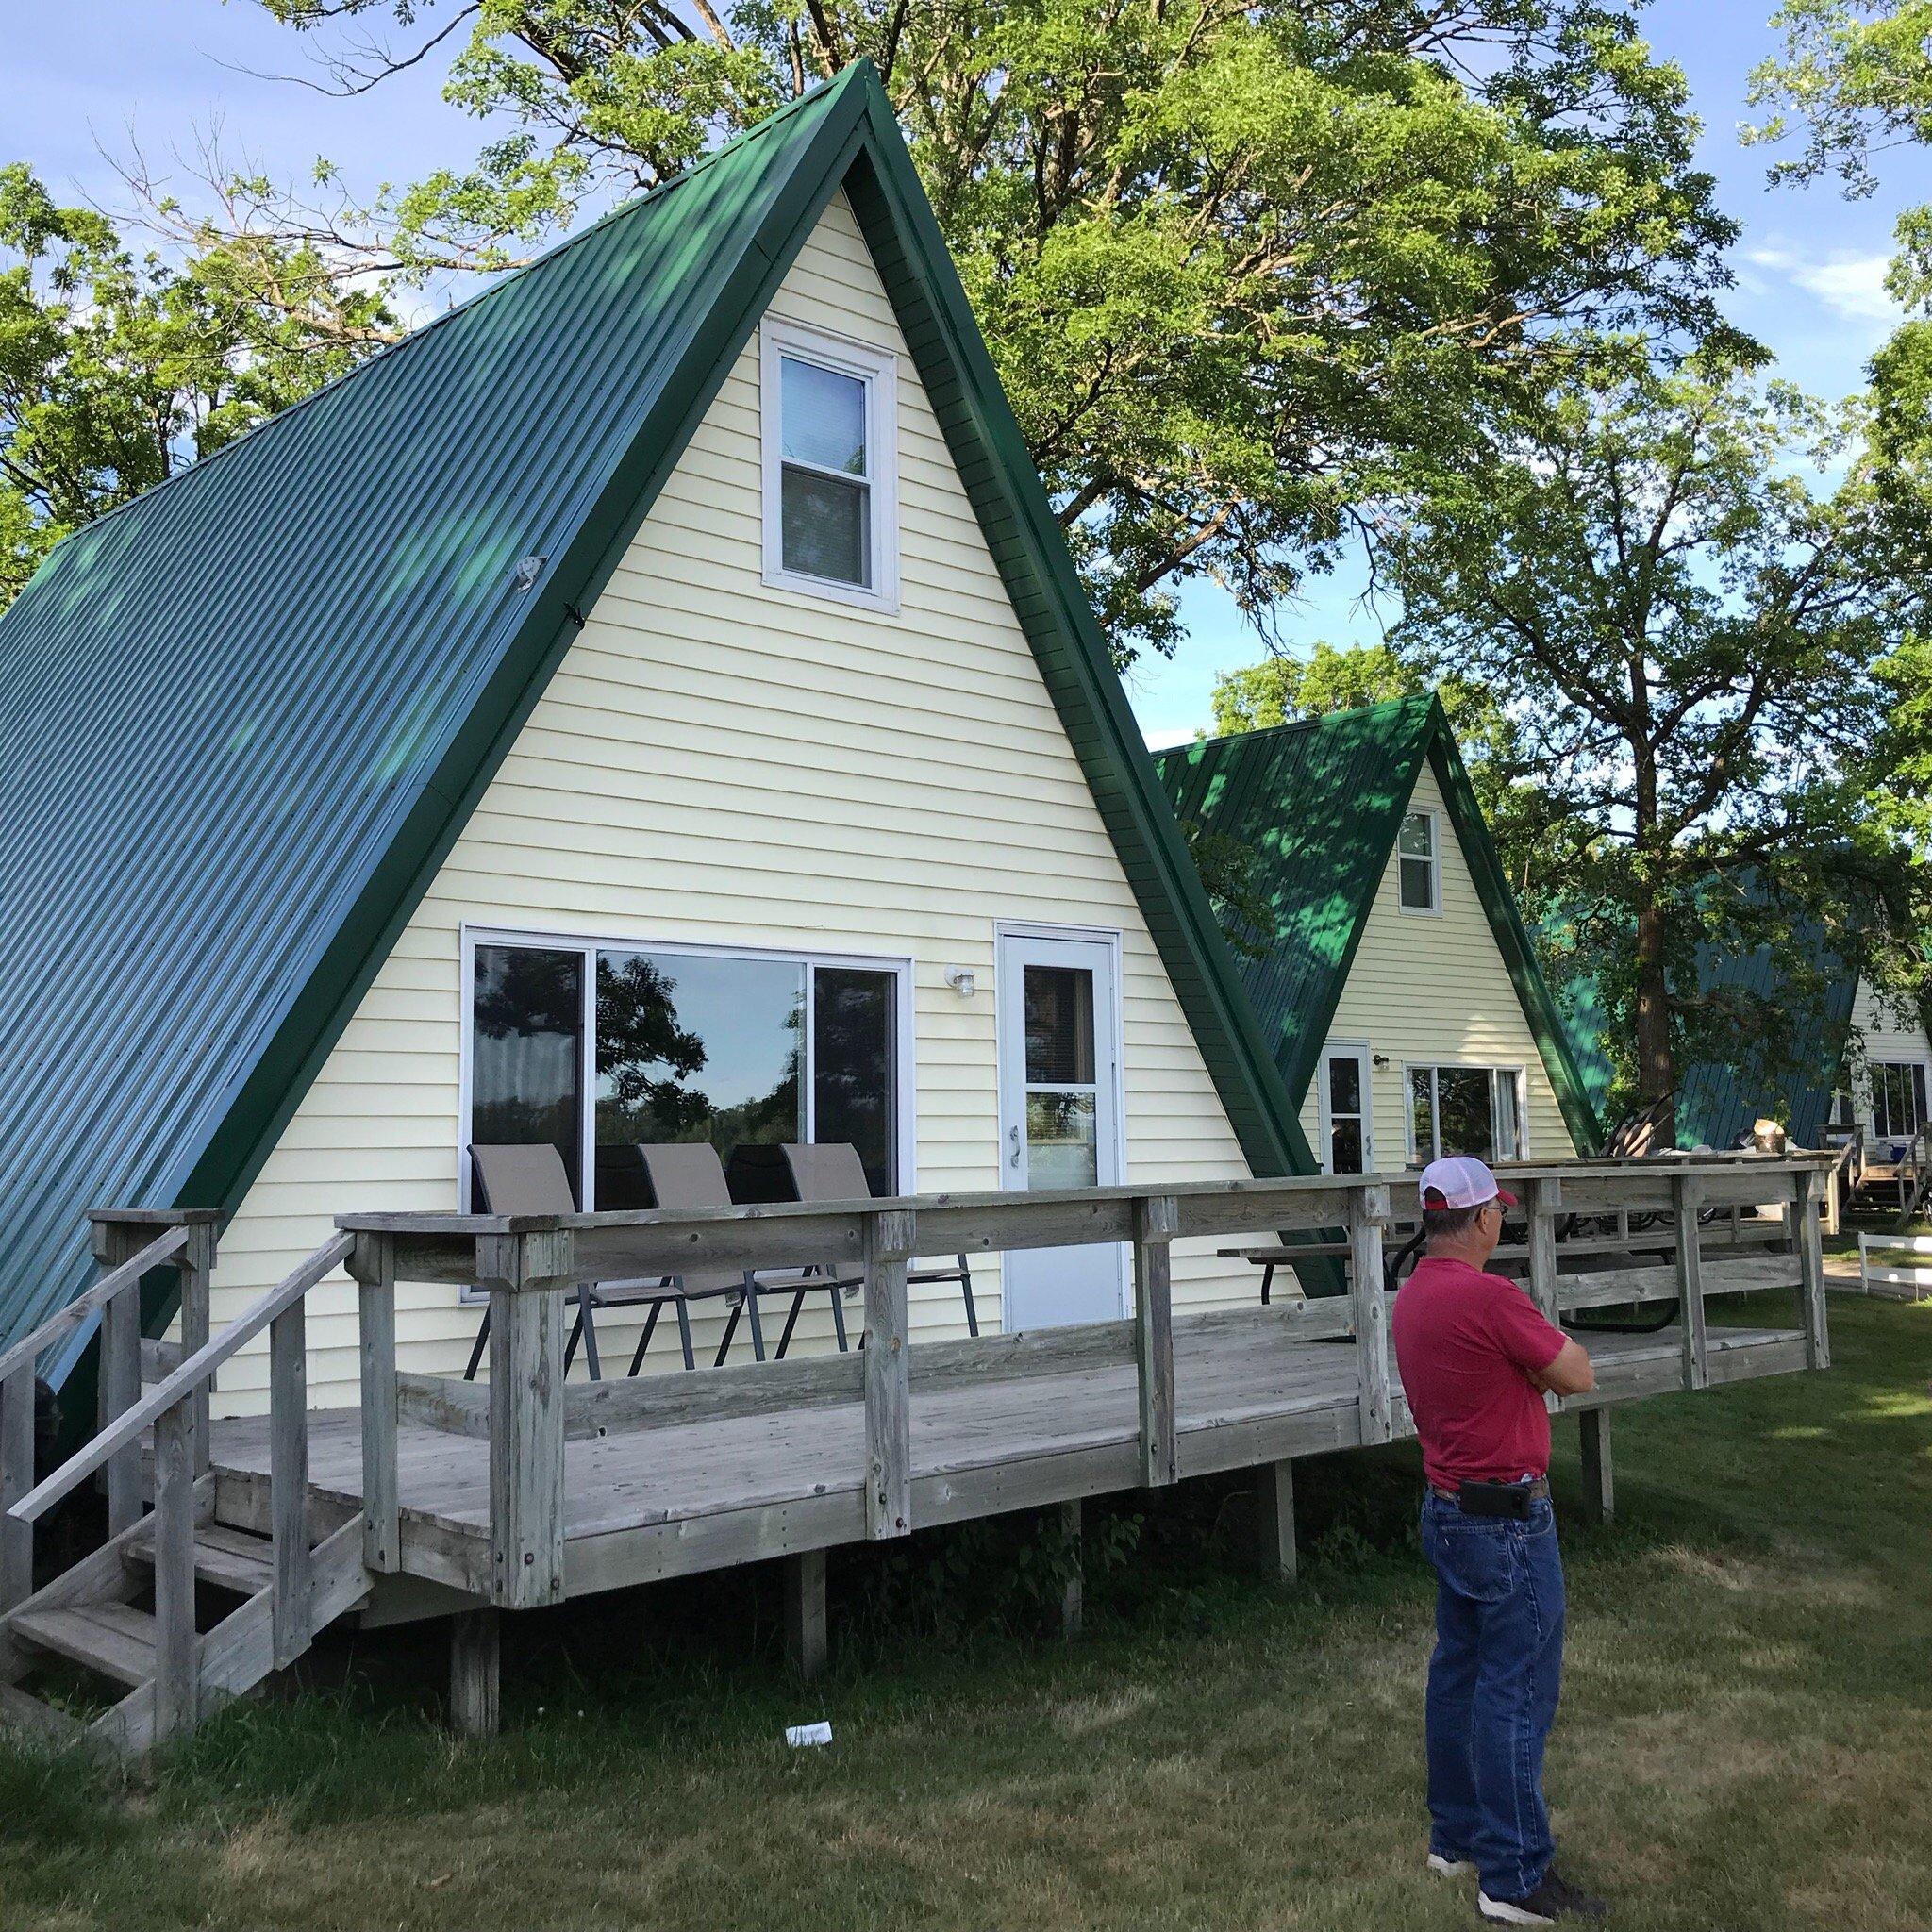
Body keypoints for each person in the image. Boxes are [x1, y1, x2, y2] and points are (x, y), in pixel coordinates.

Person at [1389, 1155, 1607, 1926]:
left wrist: (1527, 1373)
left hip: (1447, 1507)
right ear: (1482, 1219)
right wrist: (1543, 1368)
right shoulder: (1490, 1298)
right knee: (1515, 1690)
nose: (1501, 1221)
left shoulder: (1412, 1297)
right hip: (1507, 1520)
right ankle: (1512, 1876)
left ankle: (1455, 1838)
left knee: (1458, 1673)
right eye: (1499, 1212)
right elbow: (1575, 1373)